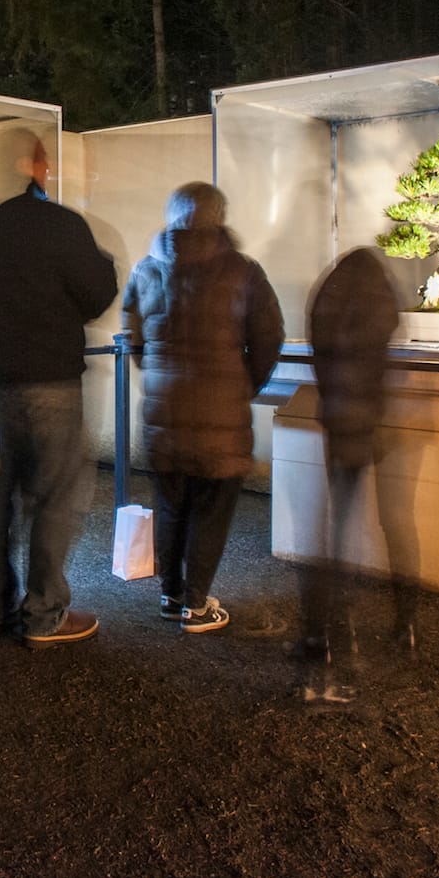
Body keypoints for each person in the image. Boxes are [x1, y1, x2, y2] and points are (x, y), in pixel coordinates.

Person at [0, 128, 119, 647]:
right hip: (51, 377)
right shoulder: (60, 224)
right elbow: (97, 293)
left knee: (8, 489)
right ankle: (45, 615)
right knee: (57, 493)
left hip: (3, 376)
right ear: (34, 165)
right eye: (45, 161)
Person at [120, 182, 284, 634]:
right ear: (220, 215)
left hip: (164, 414)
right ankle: (196, 603)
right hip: (222, 416)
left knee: (171, 505)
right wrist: (243, 385)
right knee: (211, 509)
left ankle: (171, 596)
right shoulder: (244, 271)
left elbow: (133, 340)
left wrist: (160, 379)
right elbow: (270, 338)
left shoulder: (147, 269)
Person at [297, 245, 414, 704]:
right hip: (377, 422)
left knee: (336, 526)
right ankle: (405, 623)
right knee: (395, 521)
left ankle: (327, 628)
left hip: (338, 421)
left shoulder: (327, 298)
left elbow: (318, 352)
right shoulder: (380, 302)